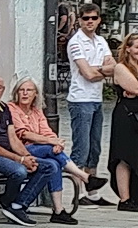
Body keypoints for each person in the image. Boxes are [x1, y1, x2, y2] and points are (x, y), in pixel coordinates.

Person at [0, 72, 56, 226]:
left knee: (48, 166)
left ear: (3, 89)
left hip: (4, 156)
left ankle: (18, 205)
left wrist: (27, 156)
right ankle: (7, 201)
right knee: (19, 170)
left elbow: (13, 138)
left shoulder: (4, 108)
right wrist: (20, 159)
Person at [9, 77, 89, 217]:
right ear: (16, 93)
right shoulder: (12, 108)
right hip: (20, 151)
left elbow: (47, 132)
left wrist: (57, 142)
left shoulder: (36, 111)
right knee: (49, 150)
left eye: (29, 90)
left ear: (36, 94)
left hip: (39, 150)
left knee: (54, 163)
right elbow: (24, 134)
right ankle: (84, 176)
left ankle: (58, 210)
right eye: (21, 90)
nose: (25, 93)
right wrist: (52, 142)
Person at [65, 4, 114, 199]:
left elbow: (114, 66)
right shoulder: (76, 42)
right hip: (80, 99)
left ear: (99, 19)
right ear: (79, 20)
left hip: (96, 98)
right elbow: (87, 74)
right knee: (81, 148)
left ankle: (92, 194)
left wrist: (97, 69)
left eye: (93, 18)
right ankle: (76, 196)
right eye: (86, 18)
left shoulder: (101, 40)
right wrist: (101, 70)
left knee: (95, 147)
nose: (90, 21)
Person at [109, 34, 138, 211]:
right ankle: (125, 199)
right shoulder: (121, 67)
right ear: (128, 48)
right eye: (136, 47)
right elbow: (134, 88)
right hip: (127, 116)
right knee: (124, 156)